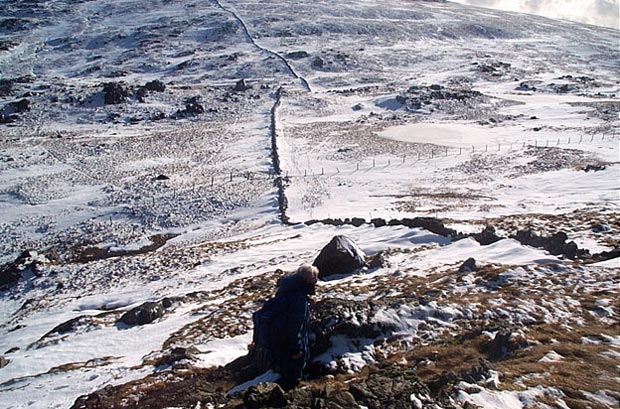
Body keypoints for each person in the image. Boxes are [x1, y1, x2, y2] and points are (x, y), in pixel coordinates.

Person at [252, 263, 318, 389]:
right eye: (315, 279)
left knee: (283, 366)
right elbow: (295, 325)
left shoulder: (288, 287)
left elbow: (286, 306)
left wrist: (306, 299)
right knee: (293, 369)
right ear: (307, 280)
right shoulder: (298, 298)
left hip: (278, 336)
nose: (316, 282)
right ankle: (291, 393)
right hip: (287, 340)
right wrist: (296, 348)